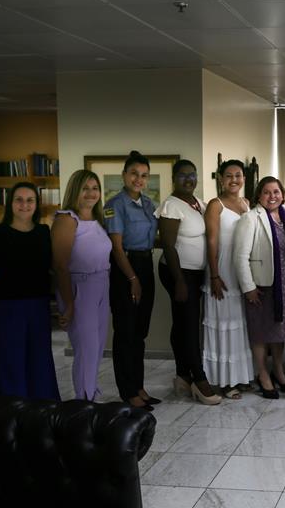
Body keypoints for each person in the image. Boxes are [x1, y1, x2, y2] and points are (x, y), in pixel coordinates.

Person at [0, 182, 60, 400]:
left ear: (36, 204)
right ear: (10, 203)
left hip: (38, 309)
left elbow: (54, 270)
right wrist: (0, 291)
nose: (24, 205)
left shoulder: (44, 233)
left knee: (39, 364)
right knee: (9, 364)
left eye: (30, 200)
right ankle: (10, 414)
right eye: (19, 199)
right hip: (6, 311)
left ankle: (40, 413)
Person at [156, 159, 221, 405]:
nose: (189, 179)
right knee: (190, 327)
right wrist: (179, 282)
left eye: (192, 174)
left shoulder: (199, 204)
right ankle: (199, 381)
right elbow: (168, 246)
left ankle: (183, 375)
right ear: (174, 178)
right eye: (183, 175)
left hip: (194, 274)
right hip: (179, 273)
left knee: (183, 324)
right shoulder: (171, 206)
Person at [104, 151, 159, 410]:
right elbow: (116, 248)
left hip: (146, 264)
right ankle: (127, 391)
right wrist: (133, 278)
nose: (139, 179)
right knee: (125, 332)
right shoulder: (114, 204)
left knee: (140, 332)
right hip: (125, 267)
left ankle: (139, 386)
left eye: (144, 175)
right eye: (134, 173)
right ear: (124, 175)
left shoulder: (148, 204)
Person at [234, 176, 285, 399]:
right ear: (259, 196)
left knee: (279, 331)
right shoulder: (250, 218)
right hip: (262, 286)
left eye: (276, 192)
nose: (272, 196)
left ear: (283, 195)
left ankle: (278, 371)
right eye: (267, 192)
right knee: (261, 332)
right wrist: (248, 287)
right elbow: (240, 257)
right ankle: (263, 374)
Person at [52, 170, 112, 401]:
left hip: (102, 284)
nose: (91, 193)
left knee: (96, 348)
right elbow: (60, 265)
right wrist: (69, 304)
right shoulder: (67, 219)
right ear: (75, 190)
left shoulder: (98, 219)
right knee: (86, 349)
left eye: (95, 188)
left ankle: (91, 395)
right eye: (85, 188)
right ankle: (84, 402)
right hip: (80, 288)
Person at [202, 159, 254, 399]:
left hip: (241, 271)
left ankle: (240, 376)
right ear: (221, 179)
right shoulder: (216, 205)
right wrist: (214, 275)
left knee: (239, 324)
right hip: (222, 270)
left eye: (238, 175)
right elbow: (211, 241)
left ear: (244, 178)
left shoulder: (246, 203)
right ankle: (224, 381)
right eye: (229, 176)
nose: (234, 180)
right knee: (223, 324)